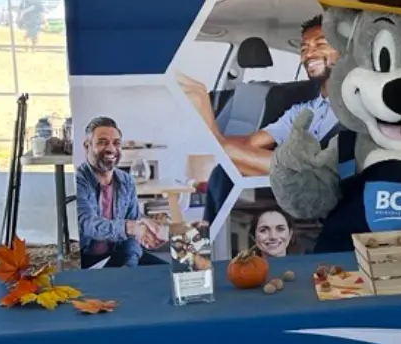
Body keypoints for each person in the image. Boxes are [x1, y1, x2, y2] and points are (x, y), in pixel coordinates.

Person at [178, 15, 340, 177]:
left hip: (327, 180)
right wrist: (211, 133)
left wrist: (207, 119)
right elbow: (251, 143)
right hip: (295, 180)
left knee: (218, 154)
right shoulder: (302, 111)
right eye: (304, 48)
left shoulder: (356, 106)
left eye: (320, 44)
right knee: (209, 157)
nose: (309, 54)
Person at [75, 116, 165, 267]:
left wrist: (129, 266)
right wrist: (131, 227)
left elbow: (132, 238)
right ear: (87, 146)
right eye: (102, 142)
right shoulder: (79, 180)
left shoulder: (126, 181)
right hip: (86, 262)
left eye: (116, 143)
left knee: (168, 275)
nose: (111, 149)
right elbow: (87, 224)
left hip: (117, 256)